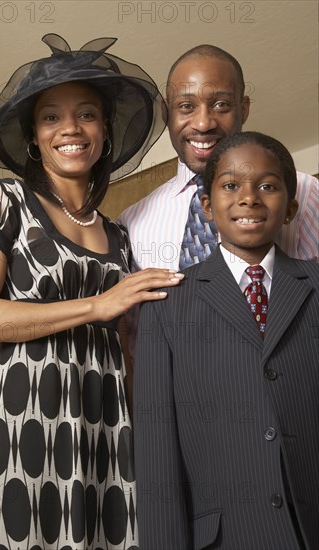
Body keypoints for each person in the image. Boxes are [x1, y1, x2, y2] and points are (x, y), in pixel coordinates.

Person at [0, 34, 184, 550]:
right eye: (51, 116)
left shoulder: (121, 235)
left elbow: (127, 348)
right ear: (34, 136)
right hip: (22, 423)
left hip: (105, 427)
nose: (70, 128)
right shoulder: (4, 200)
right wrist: (98, 305)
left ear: (105, 134)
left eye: (87, 115)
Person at [134, 131, 319, 549]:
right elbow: (157, 454)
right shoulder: (166, 306)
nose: (249, 198)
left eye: (268, 186)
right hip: (223, 537)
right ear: (207, 207)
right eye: (230, 185)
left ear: (289, 210)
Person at [118, 45, 318, 270]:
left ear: (244, 109)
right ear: (166, 113)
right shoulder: (133, 220)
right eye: (186, 106)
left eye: (221, 105)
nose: (203, 124)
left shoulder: (306, 192)